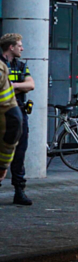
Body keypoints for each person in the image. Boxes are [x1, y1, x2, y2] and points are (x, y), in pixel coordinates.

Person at [0, 37, 23, 193]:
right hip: (10, 115)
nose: (22, 49)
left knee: (20, 155)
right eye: (19, 46)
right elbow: (14, 121)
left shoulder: (20, 66)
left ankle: (19, 189)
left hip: (16, 110)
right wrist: (2, 165)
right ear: (11, 47)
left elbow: (31, 84)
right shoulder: (2, 68)